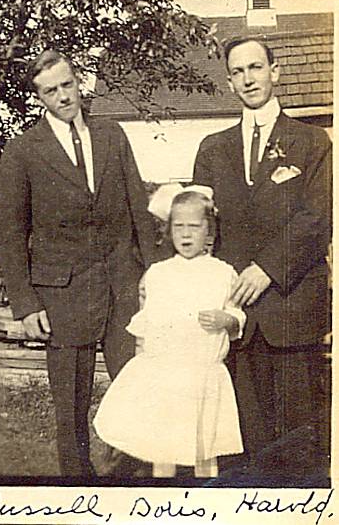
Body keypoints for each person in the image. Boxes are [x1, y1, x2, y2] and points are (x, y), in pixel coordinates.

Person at [0, 49, 159, 479]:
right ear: (39, 98)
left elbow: (138, 207)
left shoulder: (111, 135)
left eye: (67, 85)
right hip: (62, 295)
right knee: (70, 403)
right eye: (51, 91)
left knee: (136, 385)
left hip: (123, 286)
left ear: (78, 82)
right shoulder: (23, 151)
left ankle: (135, 476)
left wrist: (155, 276)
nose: (63, 96)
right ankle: (76, 484)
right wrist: (26, 305)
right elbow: (10, 232)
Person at [193, 37, 332, 472]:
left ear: (276, 71)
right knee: (242, 446)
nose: (248, 78)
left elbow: (318, 218)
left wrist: (267, 269)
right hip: (236, 317)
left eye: (256, 67)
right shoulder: (212, 149)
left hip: (292, 312)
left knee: (300, 444)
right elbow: (198, 226)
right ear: (230, 82)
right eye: (238, 71)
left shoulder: (312, 142)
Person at [94, 187, 246, 478]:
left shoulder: (222, 273)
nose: (186, 234)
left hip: (202, 372)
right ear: (169, 230)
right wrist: (144, 364)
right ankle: (163, 494)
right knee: (163, 444)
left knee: (203, 444)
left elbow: (238, 316)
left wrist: (225, 319)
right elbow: (148, 323)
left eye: (194, 226)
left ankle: (206, 496)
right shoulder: (159, 273)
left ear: (209, 233)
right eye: (178, 226)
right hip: (166, 372)